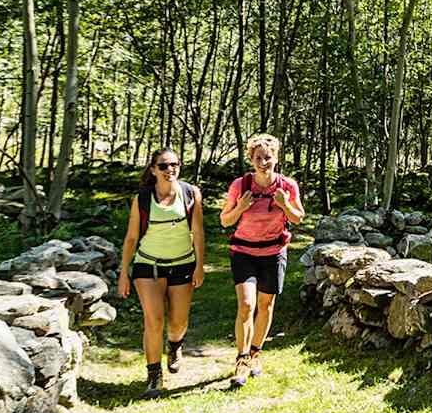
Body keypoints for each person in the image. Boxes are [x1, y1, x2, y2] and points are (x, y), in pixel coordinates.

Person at [117, 148, 205, 398]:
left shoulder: (190, 194)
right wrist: (125, 272)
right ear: (153, 170)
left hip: (182, 264)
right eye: (164, 166)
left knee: (178, 322)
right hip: (148, 266)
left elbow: (198, 232)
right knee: (154, 320)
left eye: (174, 164)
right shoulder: (142, 198)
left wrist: (199, 265)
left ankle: (175, 345)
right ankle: (154, 374)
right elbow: (132, 237)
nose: (170, 170)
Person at [220, 133, 304, 388]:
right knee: (246, 304)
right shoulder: (241, 185)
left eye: (268, 157)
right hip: (244, 252)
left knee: (265, 305)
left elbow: (299, 218)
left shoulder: (287, 186)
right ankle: (242, 358)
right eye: (258, 158)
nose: (263, 162)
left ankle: (255, 353)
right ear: (251, 160)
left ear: (276, 158)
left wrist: (284, 204)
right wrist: (241, 208)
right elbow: (225, 221)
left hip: (273, 253)